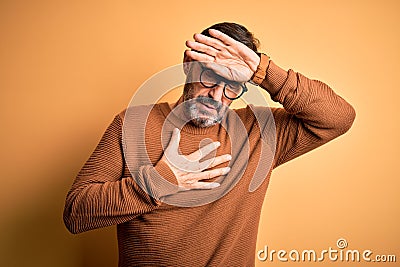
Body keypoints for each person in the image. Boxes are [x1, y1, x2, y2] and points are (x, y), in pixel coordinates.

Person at [63, 22, 356, 266]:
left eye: (232, 85)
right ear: (189, 64)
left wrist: (263, 70)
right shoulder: (133, 124)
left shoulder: (259, 131)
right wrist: (159, 182)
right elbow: (76, 214)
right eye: (210, 78)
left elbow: (339, 117)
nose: (216, 96)